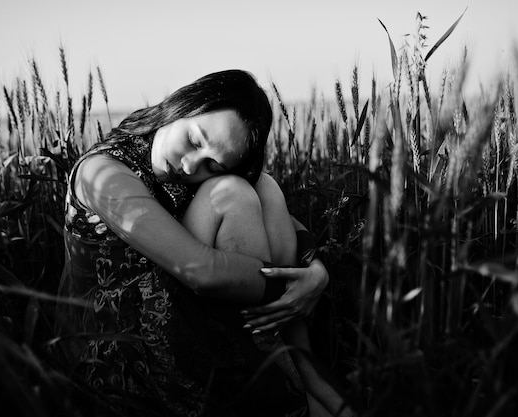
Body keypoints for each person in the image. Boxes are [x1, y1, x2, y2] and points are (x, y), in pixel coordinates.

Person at [56, 69, 352, 417]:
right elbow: (201, 271)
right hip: (121, 343)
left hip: (176, 302)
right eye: (195, 140)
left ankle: (283, 357)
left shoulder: (181, 163)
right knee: (231, 193)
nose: (188, 165)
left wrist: (316, 269)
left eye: (212, 164)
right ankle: (284, 357)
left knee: (263, 187)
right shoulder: (101, 173)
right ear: (185, 105)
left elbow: (287, 221)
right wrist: (291, 288)